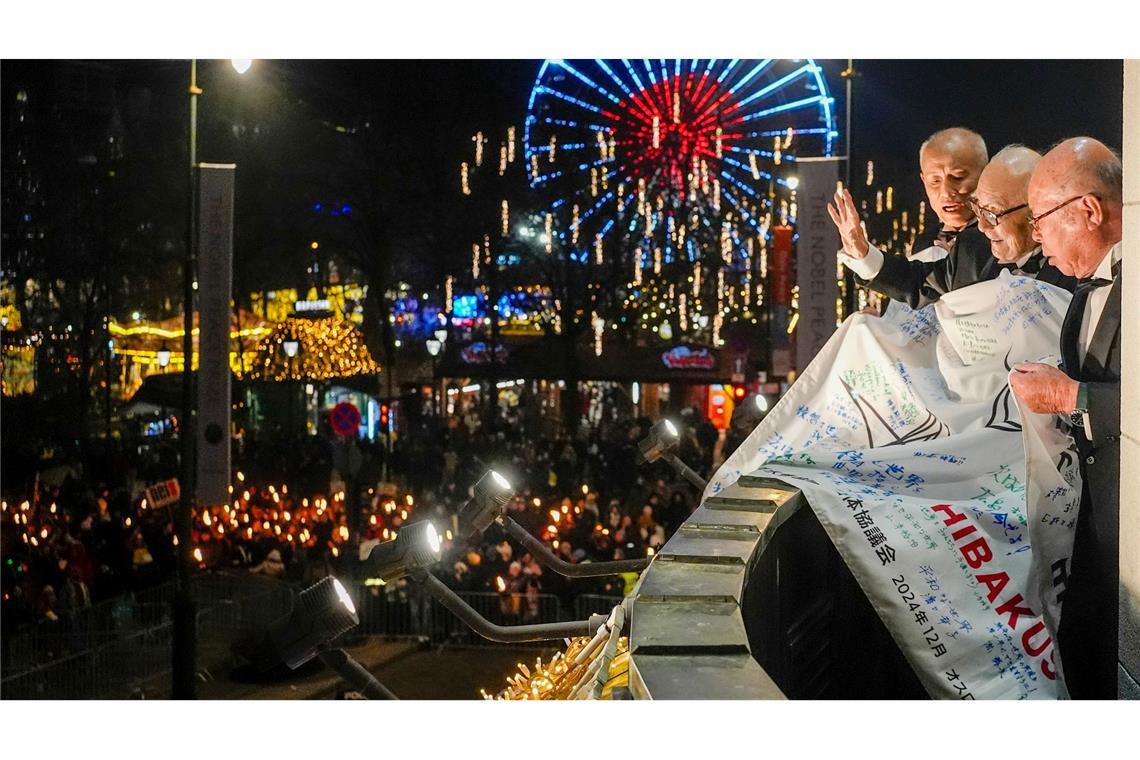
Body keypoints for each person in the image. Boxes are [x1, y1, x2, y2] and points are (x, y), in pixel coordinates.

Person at [1008, 137, 1123, 699]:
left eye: (1041, 219)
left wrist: (1075, 396)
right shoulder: (1083, 289)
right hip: (1089, 541)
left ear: (1088, 210)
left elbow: (1092, 393)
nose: (1036, 237)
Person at [829, 127, 995, 309]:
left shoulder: (999, 237)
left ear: (986, 175)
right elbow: (916, 295)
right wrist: (886, 323)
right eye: (935, 181)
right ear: (923, 181)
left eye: (957, 177)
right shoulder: (924, 242)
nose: (946, 192)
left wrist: (867, 256)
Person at [970, 145, 1075, 290]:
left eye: (992, 213)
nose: (982, 226)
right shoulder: (971, 249)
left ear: (1036, 209)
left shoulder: (1078, 269)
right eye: (978, 208)